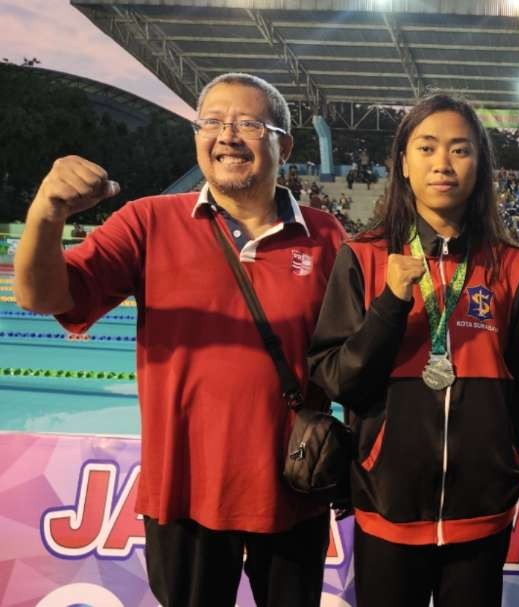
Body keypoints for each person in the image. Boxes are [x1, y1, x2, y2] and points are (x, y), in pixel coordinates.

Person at [14, 73, 346, 606]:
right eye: (211, 122)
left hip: (293, 488)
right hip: (183, 493)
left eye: (248, 123)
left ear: (283, 144)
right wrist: (47, 213)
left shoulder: (327, 235)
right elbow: (43, 297)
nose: (227, 135)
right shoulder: (148, 221)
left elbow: (358, 355)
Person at [307, 95, 519, 607]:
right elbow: (335, 379)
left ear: (480, 165)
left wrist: (505, 462)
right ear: (404, 164)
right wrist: (390, 303)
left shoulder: (511, 267)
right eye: (427, 148)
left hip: (482, 512)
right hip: (387, 509)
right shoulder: (364, 256)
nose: (442, 163)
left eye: (460, 150)